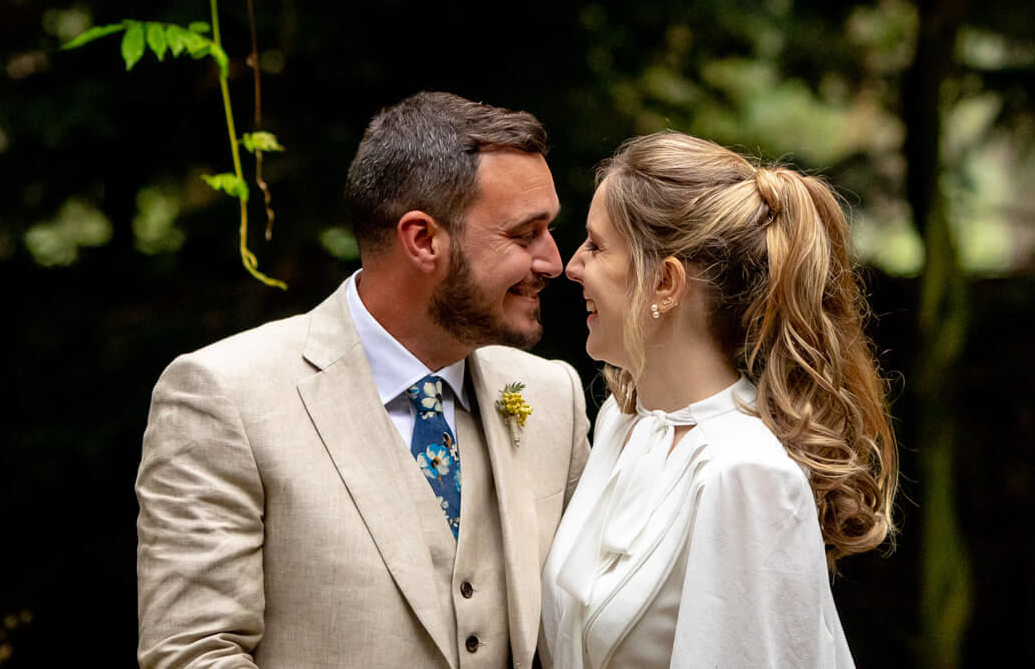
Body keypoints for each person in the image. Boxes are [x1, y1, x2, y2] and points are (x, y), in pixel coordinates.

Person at [137, 91, 592, 669]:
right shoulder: (224, 396)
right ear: (422, 240)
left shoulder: (551, 395)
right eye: (525, 235)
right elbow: (194, 654)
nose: (554, 262)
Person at [542, 132, 897, 669]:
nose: (571, 266)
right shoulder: (622, 421)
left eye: (595, 246)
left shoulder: (746, 472)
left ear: (665, 282)